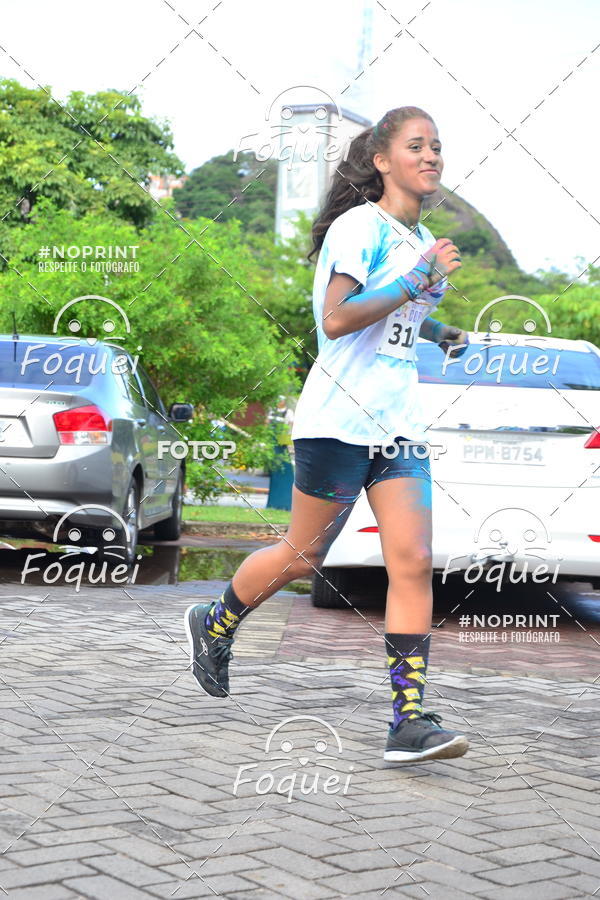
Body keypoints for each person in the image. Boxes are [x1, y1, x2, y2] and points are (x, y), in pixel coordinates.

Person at [184, 106, 471, 763]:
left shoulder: (418, 239)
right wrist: (416, 281)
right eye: (417, 146)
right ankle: (216, 621)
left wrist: (436, 327)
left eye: (437, 147)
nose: (432, 157)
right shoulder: (358, 228)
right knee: (302, 556)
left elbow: (391, 318)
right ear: (382, 160)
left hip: (399, 426)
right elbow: (338, 320)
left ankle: (408, 720)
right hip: (338, 423)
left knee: (413, 563)